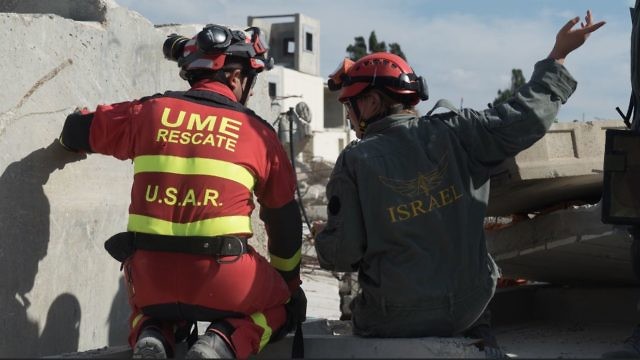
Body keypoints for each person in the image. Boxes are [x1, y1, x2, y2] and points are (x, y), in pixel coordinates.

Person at [313, 9, 604, 355]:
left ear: (372, 101)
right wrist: (558, 56)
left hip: (392, 319)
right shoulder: (457, 132)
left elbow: (343, 254)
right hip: (468, 310)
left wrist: (325, 239)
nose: (349, 117)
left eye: (351, 106)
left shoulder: (355, 161)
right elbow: (523, 118)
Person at [58, 24, 305, 359]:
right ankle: (223, 342)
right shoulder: (258, 133)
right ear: (235, 78)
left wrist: (69, 143)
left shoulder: (148, 113)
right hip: (225, 278)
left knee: (157, 304)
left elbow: (74, 131)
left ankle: (152, 332)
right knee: (281, 306)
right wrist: (288, 284)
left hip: (149, 277)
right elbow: (283, 220)